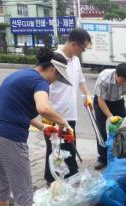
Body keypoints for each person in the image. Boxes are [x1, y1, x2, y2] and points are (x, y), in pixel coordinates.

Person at [0, 48, 73, 206]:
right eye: (57, 77)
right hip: (9, 139)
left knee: (1, 184)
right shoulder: (40, 82)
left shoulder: (21, 74)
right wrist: (64, 123)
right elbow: (43, 108)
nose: (54, 81)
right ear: (52, 70)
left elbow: (24, 111)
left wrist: (43, 128)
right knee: (23, 188)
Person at [43, 28, 92, 185]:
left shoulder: (75, 60)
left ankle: (71, 174)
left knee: (70, 145)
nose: (82, 52)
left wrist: (87, 95)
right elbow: (42, 89)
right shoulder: (53, 60)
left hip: (70, 114)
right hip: (52, 114)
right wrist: (49, 115)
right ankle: (51, 179)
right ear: (73, 44)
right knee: (54, 148)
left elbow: (81, 80)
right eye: (82, 48)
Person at [93, 63, 126, 170]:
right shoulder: (104, 78)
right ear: (116, 74)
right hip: (102, 102)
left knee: (124, 128)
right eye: (122, 81)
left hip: (118, 102)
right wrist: (110, 116)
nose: (124, 83)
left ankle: (122, 155)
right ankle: (102, 159)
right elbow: (100, 100)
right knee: (101, 131)